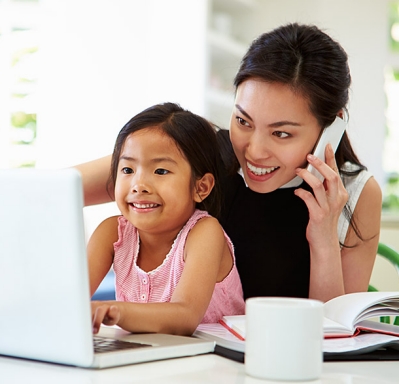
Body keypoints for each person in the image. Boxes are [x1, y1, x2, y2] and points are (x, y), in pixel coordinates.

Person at [76, 23, 382, 304]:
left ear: (332, 128)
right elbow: (52, 191)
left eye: (281, 133)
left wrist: (324, 237)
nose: (254, 151)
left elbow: (333, 335)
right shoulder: (198, 153)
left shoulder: (357, 193)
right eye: (243, 121)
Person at [88, 102, 245, 336]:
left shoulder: (204, 232)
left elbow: (184, 317)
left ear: (201, 187)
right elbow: (67, 300)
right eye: (128, 170)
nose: (139, 185)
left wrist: (117, 311)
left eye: (160, 171)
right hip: (147, 358)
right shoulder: (112, 232)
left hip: (215, 363)